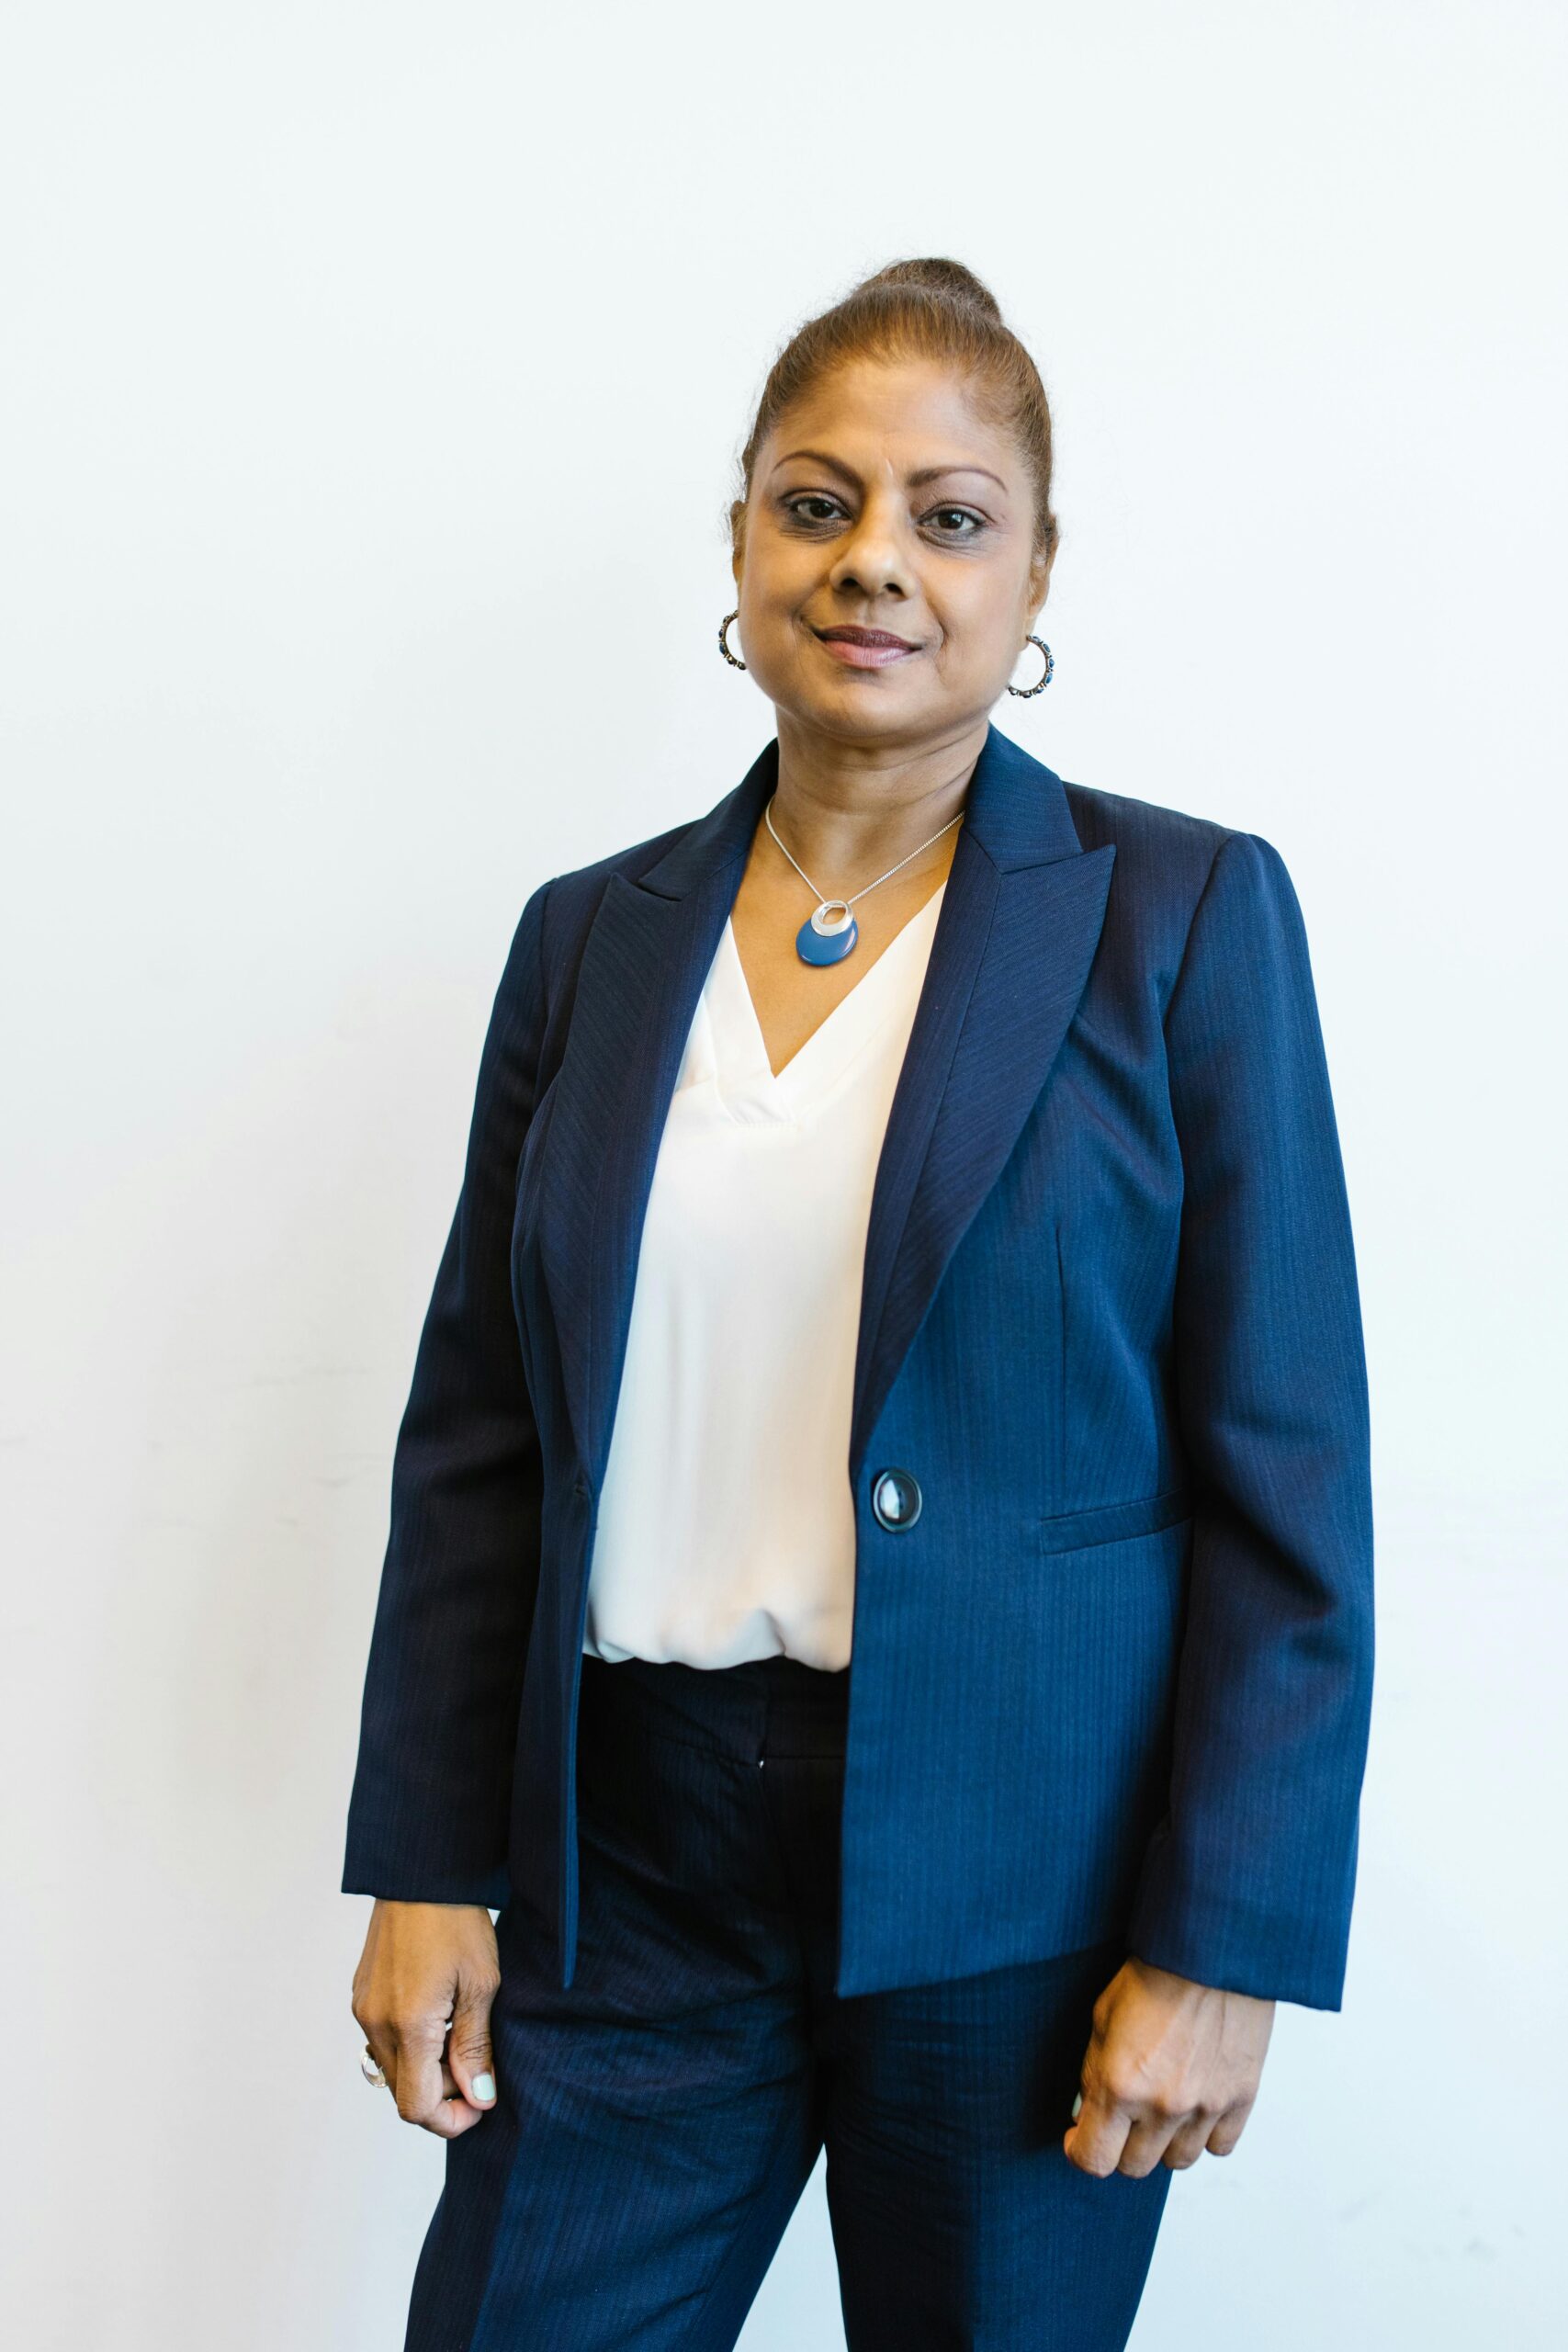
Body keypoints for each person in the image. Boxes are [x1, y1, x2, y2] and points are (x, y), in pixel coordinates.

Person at [343, 256, 1375, 2352]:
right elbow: (479, 1437)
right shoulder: (591, 942)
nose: (874, 561)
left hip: (1022, 1886)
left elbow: (1285, 1469)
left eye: (946, 513)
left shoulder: (1177, 917)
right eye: (816, 504)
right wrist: (429, 1854)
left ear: (1031, 570)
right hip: (620, 1863)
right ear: (740, 538)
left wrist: (1223, 1941)